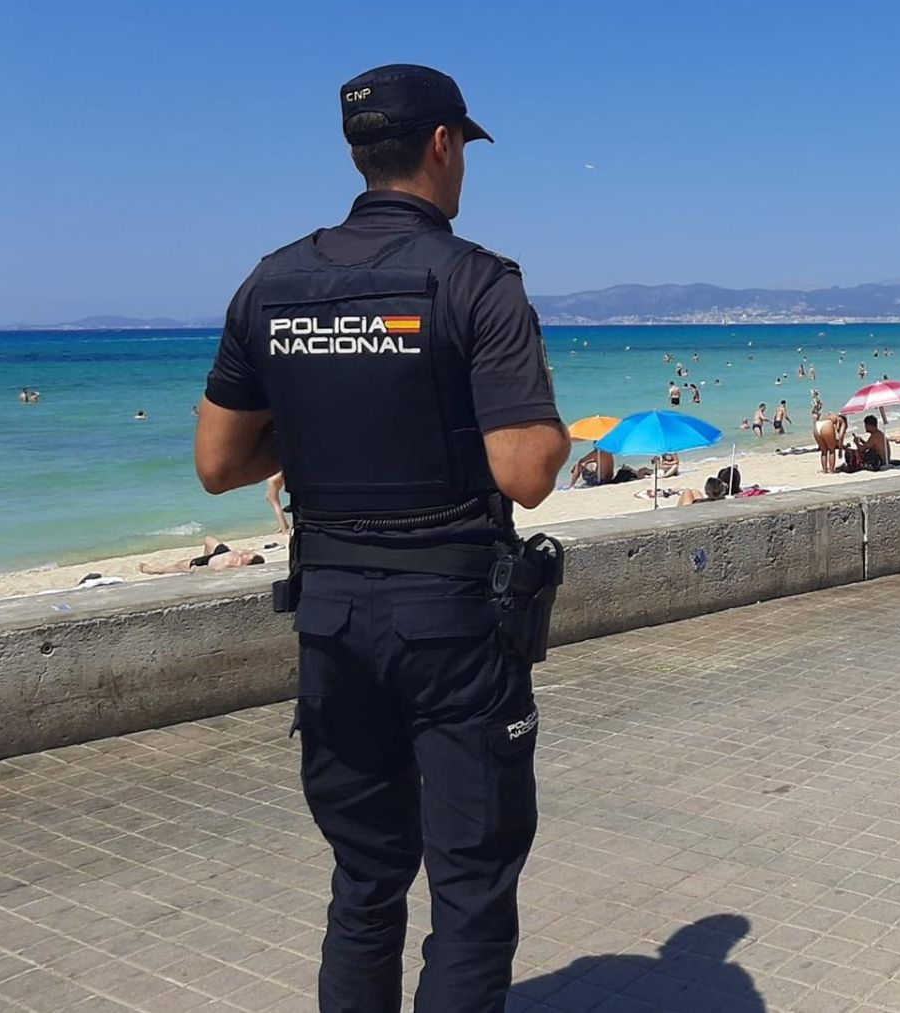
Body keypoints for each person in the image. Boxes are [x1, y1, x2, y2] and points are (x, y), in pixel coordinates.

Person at [193, 65, 569, 1013]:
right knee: (471, 895)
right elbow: (525, 471)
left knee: (364, 886)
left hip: (330, 619)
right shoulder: (477, 282)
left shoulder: (271, 281)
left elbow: (218, 462)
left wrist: (324, 428)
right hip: (449, 625)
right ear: (444, 145)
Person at [139, 536, 266, 574]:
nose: (245, 553)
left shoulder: (231, 564)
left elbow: (214, 570)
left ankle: (153, 570)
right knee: (208, 539)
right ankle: (204, 555)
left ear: (246, 564)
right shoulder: (240, 558)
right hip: (223, 553)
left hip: (209, 562)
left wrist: (196, 569)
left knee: (179, 565)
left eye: (246, 555)